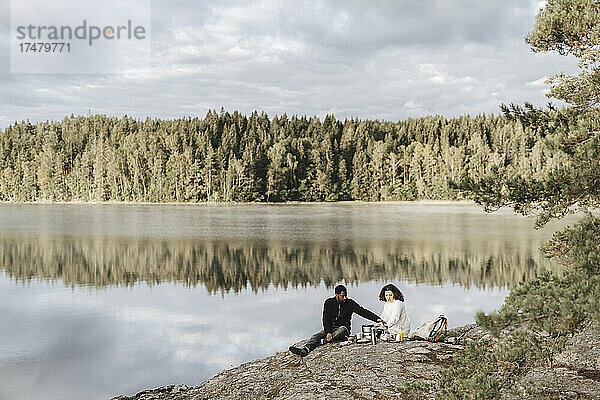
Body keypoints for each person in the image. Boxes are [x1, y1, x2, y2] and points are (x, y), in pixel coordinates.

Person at [289, 284, 382, 357]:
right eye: (342, 296)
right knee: (315, 336)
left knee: (341, 330)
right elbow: (326, 318)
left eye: (345, 295)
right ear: (336, 295)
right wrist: (328, 332)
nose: (345, 298)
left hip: (344, 329)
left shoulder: (350, 303)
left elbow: (363, 311)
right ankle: (305, 350)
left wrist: (377, 319)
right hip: (331, 328)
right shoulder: (329, 303)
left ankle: (323, 342)